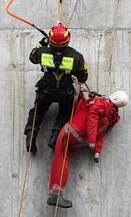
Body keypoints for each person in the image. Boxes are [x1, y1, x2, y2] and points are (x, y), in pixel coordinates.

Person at [46, 89, 129, 208]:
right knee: (63, 159)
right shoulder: (111, 116)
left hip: (68, 134)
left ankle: (56, 194)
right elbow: (101, 133)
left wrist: (91, 142)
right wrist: (97, 151)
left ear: (114, 97)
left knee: (60, 160)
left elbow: (92, 120)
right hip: (76, 142)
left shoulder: (100, 104)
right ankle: (56, 194)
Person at [24, 23, 88, 154]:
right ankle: (55, 136)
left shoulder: (42, 52)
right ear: (67, 39)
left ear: (50, 39)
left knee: (38, 111)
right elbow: (83, 77)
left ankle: (31, 135)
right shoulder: (76, 56)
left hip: (46, 89)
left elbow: (32, 57)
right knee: (65, 112)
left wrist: (41, 43)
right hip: (65, 92)